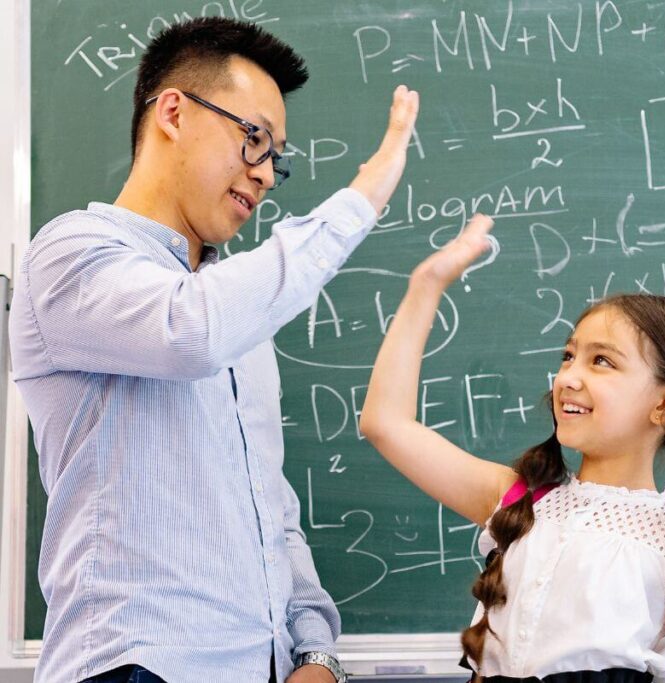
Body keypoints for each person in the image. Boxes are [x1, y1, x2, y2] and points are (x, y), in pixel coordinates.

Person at [9, 17, 419, 683]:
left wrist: (314, 649)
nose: (263, 175)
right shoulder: (72, 254)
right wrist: (361, 199)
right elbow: (190, 332)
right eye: (253, 139)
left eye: (275, 158)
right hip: (139, 664)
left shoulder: (237, 315)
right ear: (173, 110)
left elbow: (270, 505)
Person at [360, 217, 665, 683]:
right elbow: (385, 423)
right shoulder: (520, 498)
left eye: (602, 361)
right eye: (568, 356)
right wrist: (426, 285)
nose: (568, 378)